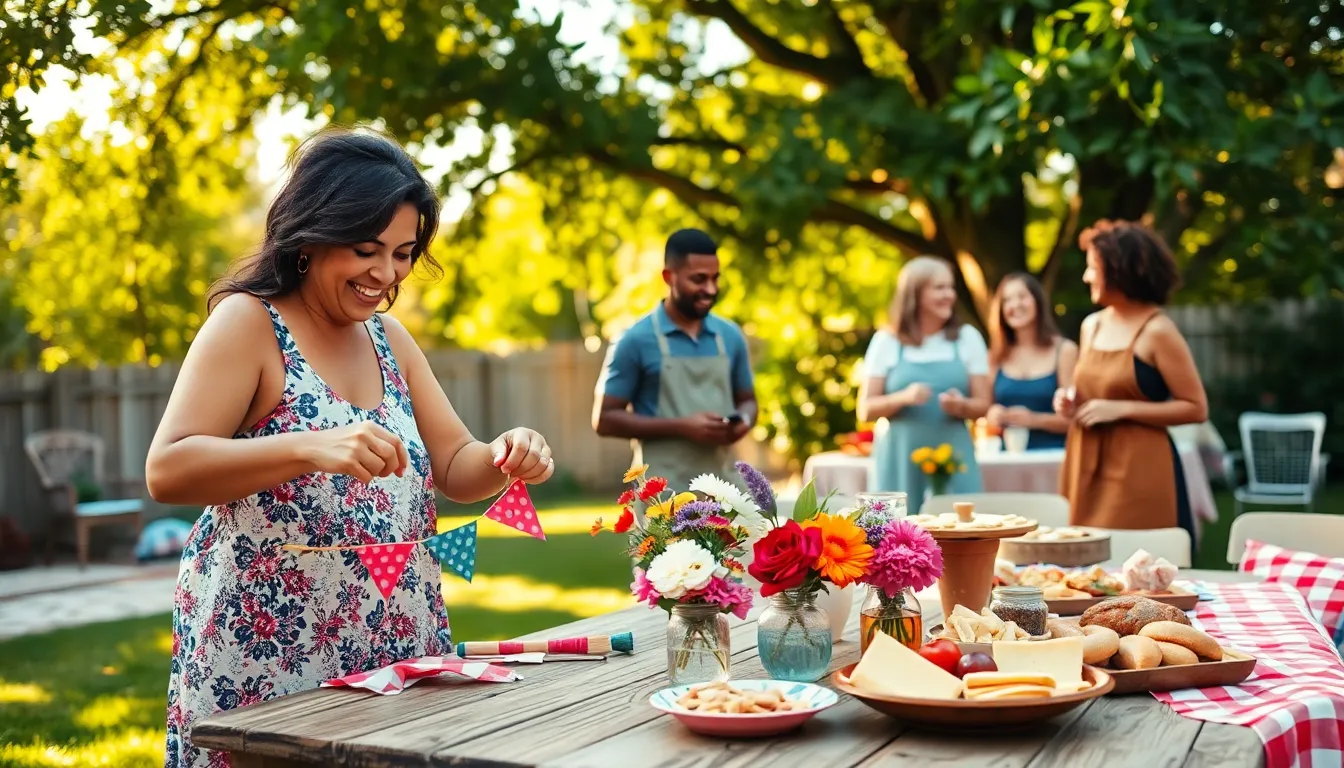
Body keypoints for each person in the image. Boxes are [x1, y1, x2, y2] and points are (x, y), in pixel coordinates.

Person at [145, 129, 555, 768]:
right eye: (366, 249)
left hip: (394, 638)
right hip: (270, 651)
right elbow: (167, 469)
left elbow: (453, 465)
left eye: (402, 252)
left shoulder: (389, 337)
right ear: (310, 237)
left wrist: (505, 453)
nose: (385, 274)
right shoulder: (249, 324)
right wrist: (310, 447)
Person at [1055, 219, 1207, 542]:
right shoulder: (1091, 326)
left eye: (1092, 268)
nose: (1086, 277)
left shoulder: (1158, 331)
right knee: (1081, 564)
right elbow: (1092, 395)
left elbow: (1196, 408)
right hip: (1085, 463)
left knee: (1135, 569)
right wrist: (1070, 401)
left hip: (1140, 469)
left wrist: (1121, 409)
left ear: (1119, 270)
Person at [592, 229, 757, 494]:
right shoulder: (634, 340)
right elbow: (605, 419)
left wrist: (744, 421)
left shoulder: (730, 336)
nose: (710, 289)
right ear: (669, 277)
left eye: (715, 279)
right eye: (699, 280)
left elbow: (748, 401)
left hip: (727, 492)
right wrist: (682, 427)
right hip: (663, 497)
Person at [858, 256, 990, 500]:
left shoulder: (968, 338)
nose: (949, 295)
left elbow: (983, 405)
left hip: (954, 460)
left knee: (961, 531)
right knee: (896, 534)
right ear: (915, 294)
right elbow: (865, 410)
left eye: (951, 287)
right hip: (898, 461)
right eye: (939, 288)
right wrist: (904, 397)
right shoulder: (886, 341)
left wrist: (961, 406)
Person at [986, 272, 1078, 450]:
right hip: (1007, 461)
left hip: (1054, 458)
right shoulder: (995, 356)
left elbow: (1075, 418)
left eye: (1022, 296)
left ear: (1038, 302)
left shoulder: (1064, 351)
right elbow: (986, 413)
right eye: (1007, 300)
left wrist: (1033, 420)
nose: (1015, 305)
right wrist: (993, 415)